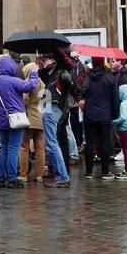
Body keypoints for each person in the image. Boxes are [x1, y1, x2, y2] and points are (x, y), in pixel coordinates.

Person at [0, 54, 38, 189]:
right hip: (15, 119)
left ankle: (0, 178)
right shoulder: (13, 81)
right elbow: (30, 86)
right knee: (13, 149)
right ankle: (12, 179)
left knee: (4, 149)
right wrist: (34, 73)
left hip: (2, 120)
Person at [81, 56, 119, 180]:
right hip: (105, 115)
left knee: (89, 143)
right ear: (103, 62)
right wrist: (115, 114)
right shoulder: (110, 78)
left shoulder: (87, 77)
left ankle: (89, 171)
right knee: (104, 143)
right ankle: (105, 171)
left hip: (89, 114)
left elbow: (81, 93)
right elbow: (115, 99)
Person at [38, 58, 70, 186]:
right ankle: (61, 175)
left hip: (53, 107)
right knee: (51, 143)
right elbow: (43, 76)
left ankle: (62, 176)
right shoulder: (54, 73)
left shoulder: (60, 72)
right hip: (51, 106)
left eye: (46, 59)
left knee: (52, 143)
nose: (44, 61)